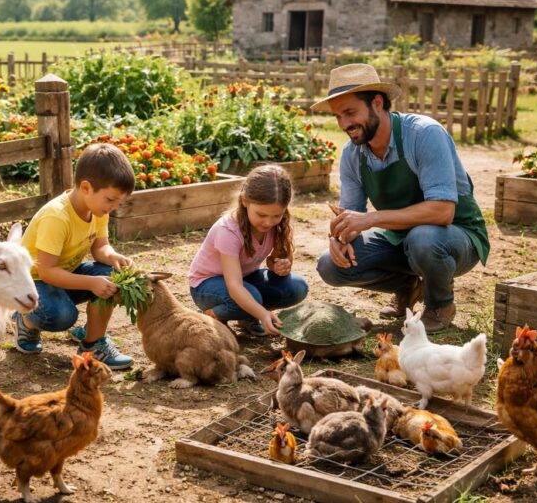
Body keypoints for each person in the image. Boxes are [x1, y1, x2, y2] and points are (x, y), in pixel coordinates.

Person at [313, 63, 489, 333]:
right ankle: (407, 287)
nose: (344, 124)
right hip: (400, 238)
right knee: (330, 266)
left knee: (424, 238)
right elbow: (349, 215)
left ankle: (439, 304)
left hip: (455, 237)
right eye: (338, 116)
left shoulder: (424, 134)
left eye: (350, 112)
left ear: (378, 103)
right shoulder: (352, 155)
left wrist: (372, 219)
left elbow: (443, 212)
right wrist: (339, 238)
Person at [14, 142, 135, 369]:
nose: (114, 206)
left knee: (112, 277)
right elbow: (46, 271)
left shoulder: (97, 209)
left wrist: (113, 257)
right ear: (86, 187)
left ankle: (92, 342)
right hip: (34, 281)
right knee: (61, 316)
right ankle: (25, 319)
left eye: (119, 202)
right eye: (110, 199)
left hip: (64, 274)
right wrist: (90, 282)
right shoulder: (57, 217)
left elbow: (101, 247)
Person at [188, 164, 309, 336]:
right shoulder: (228, 230)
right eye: (261, 215)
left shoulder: (278, 226)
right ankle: (212, 315)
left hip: (245, 277)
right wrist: (263, 313)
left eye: (276, 215)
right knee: (252, 298)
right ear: (245, 201)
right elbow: (234, 285)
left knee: (296, 286)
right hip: (206, 285)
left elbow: (273, 261)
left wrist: (279, 266)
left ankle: (246, 316)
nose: (268, 222)